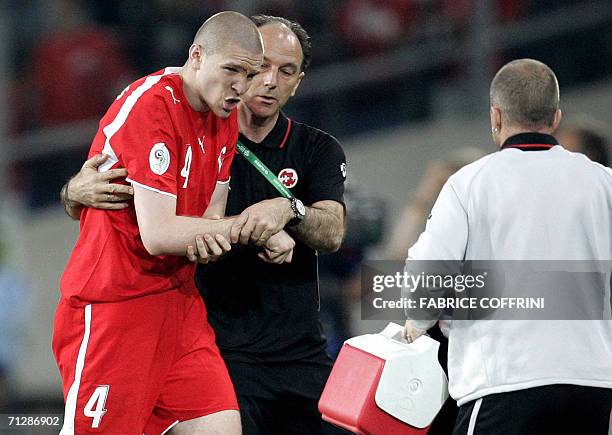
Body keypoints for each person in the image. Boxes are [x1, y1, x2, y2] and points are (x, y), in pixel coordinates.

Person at [60, 15, 347, 435]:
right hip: (119, 306)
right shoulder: (151, 106)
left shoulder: (239, 123)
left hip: (187, 311)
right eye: (240, 69)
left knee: (218, 427)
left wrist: (277, 220)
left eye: (273, 72)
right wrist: (70, 192)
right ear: (197, 56)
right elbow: (159, 235)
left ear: (298, 81)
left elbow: (211, 219)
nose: (249, 84)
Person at [403, 59, 612, 434]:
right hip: (591, 386)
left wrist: (416, 323)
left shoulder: (470, 184)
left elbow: (428, 276)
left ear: (495, 116)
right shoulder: (604, 183)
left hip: (505, 384)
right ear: (556, 117)